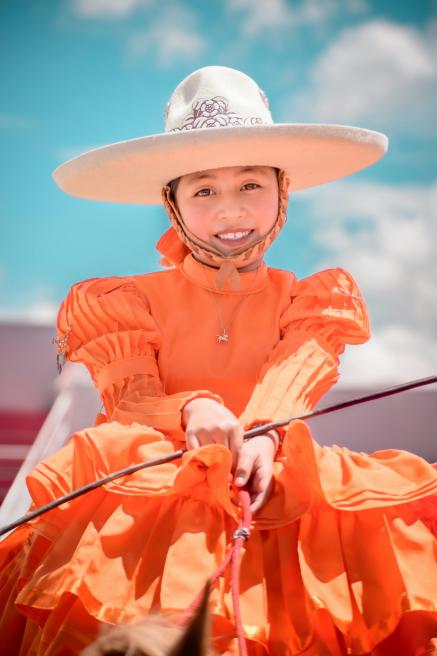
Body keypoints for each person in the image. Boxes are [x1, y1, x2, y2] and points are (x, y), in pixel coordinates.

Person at [0, 66, 436, 656]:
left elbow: (294, 376)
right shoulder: (121, 299)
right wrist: (194, 408)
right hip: (153, 491)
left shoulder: (314, 299)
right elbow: (130, 398)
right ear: (172, 203)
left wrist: (264, 434)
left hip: (274, 480)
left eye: (251, 185)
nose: (231, 210)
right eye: (204, 189)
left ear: (283, 191)